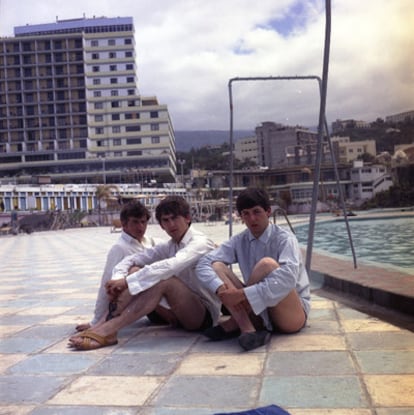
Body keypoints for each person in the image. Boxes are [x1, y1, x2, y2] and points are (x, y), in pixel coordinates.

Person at [69, 195, 221, 350]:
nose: (171, 224)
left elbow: (172, 265)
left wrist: (127, 282)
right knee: (135, 269)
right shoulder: (170, 245)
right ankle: (102, 325)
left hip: (203, 314)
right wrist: (118, 279)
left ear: (187, 218)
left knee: (164, 279)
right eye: (165, 221)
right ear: (161, 225)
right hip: (176, 311)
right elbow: (132, 260)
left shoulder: (200, 242)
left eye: (175, 218)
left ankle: (108, 329)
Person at [196, 188, 311, 351]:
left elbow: (288, 279)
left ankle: (235, 322)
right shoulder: (239, 240)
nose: (252, 219)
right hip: (260, 313)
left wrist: (241, 295)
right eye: (246, 214)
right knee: (217, 266)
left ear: (268, 211)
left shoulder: (285, 239)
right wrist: (222, 290)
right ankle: (247, 329)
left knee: (267, 265)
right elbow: (203, 263)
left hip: (291, 315)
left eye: (257, 212)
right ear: (241, 217)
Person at [75, 200, 158, 332]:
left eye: (143, 222)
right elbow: (107, 284)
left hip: (156, 298)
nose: (140, 227)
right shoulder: (120, 248)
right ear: (124, 224)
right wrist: (95, 321)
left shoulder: (149, 241)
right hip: (146, 302)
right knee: (135, 271)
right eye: (135, 222)